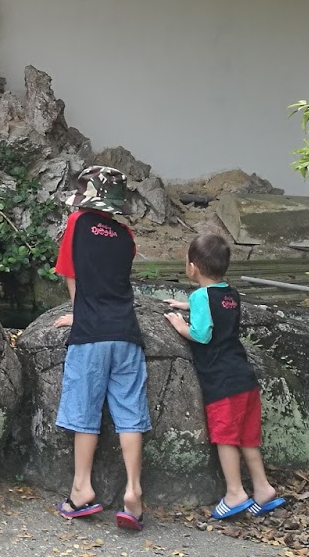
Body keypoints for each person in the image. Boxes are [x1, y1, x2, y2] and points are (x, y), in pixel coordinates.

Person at [51, 165, 149, 532]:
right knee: (130, 414)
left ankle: (81, 489)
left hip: (91, 333)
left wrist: (78, 314)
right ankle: (134, 493)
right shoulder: (126, 235)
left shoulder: (76, 222)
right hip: (126, 332)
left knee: (84, 414)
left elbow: (70, 273)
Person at [164, 233, 285, 519]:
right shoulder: (230, 294)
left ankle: (234, 493)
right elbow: (219, 312)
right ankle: (263, 488)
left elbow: (202, 333)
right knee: (248, 438)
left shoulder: (199, 296)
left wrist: (181, 325)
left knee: (226, 438)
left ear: (192, 267)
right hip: (244, 377)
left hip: (221, 381)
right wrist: (190, 306)